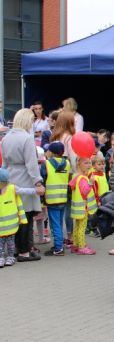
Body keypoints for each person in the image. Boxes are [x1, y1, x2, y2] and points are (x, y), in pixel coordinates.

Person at [1, 109, 45, 262]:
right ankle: (24, 251)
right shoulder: (27, 138)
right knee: (25, 217)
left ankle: (14, 249)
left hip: (11, 178)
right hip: (25, 178)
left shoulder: (6, 138)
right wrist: (38, 183)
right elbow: (31, 164)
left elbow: (4, 164)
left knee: (14, 216)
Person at [50, 111, 77, 246]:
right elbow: (73, 159)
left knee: (56, 209)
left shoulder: (54, 137)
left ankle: (58, 237)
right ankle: (70, 237)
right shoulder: (70, 138)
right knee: (68, 207)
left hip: (54, 177)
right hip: (68, 175)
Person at [41, 142, 69, 256]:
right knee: (60, 222)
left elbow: (43, 178)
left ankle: (58, 248)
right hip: (63, 196)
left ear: (51, 152)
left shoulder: (46, 164)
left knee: (54, 224)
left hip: (51, 198)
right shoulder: (67, 163)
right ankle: (60, 243)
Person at [68, 156, 97, 255]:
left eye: (90, 163)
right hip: (83, 207)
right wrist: (90, 183)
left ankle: (75, 244)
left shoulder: (76, 175)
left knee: (77, 226)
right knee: (82, 227)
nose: (89, 165)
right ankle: (82, 246)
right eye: (86, 163)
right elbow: (84, 192)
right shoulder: (83, 179)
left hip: (78, 208)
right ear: (78, 163)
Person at [0, 167, 28, 267]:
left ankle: (10, 257)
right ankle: (1, 258)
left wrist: (35, 191)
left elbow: (24, 191)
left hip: (10, 226)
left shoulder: (11, 189)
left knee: (11, 244)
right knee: (1, 244)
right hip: (2, 227)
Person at [89, 153, 108, 238]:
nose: (102, 166)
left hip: (105, 197)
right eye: (99, 164)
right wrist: (97, 200)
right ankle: (93, 230)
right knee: (96, 216)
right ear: (93, 165)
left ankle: (103, 228)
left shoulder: (103, 174)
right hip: (98, 198)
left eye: (103, 164)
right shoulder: (93, 176)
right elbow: (94, 190)